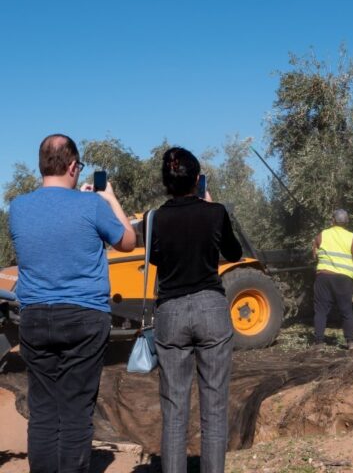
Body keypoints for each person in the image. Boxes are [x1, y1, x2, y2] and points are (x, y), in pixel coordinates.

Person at [9, 134, 135, 473]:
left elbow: (52, 227)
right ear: (73, 166)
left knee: (44, 412)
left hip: (35, 317)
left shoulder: (18, 208)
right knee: (77, 412)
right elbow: (128, 241)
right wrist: (109, 200)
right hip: (83, 316)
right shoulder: (92, 206)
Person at [148, 147, 242, 473]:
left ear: (166, 183)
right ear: (198, 180)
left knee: (174, 409)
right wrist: (211, 207)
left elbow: (156, 259)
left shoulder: (155, 218)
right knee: (214, 407)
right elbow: (234, 253)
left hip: (171, 311)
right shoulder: (215, 212)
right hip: (211, 308)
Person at [312, 209, 353, 350]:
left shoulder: (322, 235)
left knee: (321, 311)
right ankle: (350, 342)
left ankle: (319, 343)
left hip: (324, 277)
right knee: (346, 310)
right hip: (344, 279)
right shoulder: (351, 237)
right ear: (346, 222)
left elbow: (314, 255)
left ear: (332, 220)